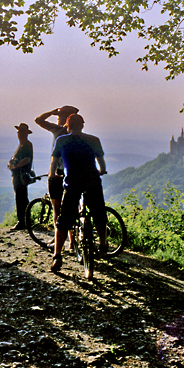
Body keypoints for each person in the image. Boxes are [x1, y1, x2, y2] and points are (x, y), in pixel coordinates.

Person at [48, 113, 108, 273]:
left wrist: (52, 174)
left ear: (67, 126)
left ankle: (57, 256)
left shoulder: (62, 140)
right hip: (92, 180)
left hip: (72, 182)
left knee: (63, 220)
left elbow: (54, 161)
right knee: (99, 213)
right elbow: (101, 161)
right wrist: (102, 170)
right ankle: (103, 244)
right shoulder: (94, 139)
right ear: (82, 125)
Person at [34, 106, 79, 240]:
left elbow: (38, 120)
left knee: (57, 209)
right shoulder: (77, 133)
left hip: (56, 173)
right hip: (73, 173)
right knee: (72, 208)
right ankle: (72, 240)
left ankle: (58, 238)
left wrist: (51, 112)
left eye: (58, 116)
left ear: (64, 117)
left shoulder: (57, 130)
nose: (57, 118)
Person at [7, 123, 33, 231]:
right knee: (22, 198)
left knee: (20, 198)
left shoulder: (26, 144)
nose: (18, 134)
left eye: (19, 132)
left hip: (20, 175)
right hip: (19, 175)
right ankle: (26, 221)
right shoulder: (23, 144)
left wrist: (15, 166)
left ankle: (22, 222)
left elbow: (27, 159)